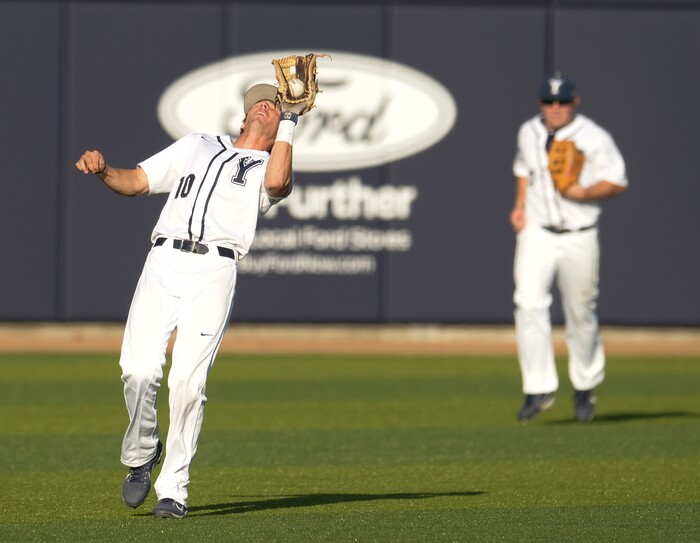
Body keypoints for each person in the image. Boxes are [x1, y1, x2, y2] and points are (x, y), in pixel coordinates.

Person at [75, 83, 306, 518]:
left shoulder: (269, 162)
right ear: (242, 116)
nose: (265, 104)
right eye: (258, 100)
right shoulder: (197, 144)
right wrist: (105, 170)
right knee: (138, 370)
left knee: (188, 382)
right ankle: (143, 451)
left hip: (215, 269)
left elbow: (278, 181)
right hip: (163, 259)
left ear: (280, 125)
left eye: (274, 105)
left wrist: (292, 121)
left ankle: (174, 489)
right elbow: (138, 181)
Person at [509, 72, 628, 423]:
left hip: (579, 232)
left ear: (575, 102)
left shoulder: (593, 136)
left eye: (562, 101)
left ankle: (585, 384)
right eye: (549, 101)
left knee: (581, 313)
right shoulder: (527, 132)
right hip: (537, 231)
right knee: (527, 302)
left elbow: (618, 181)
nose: (556, 108)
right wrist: (519, 206)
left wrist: (584, 192)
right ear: (540, 103)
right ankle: (538, 387)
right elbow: (521, 168)